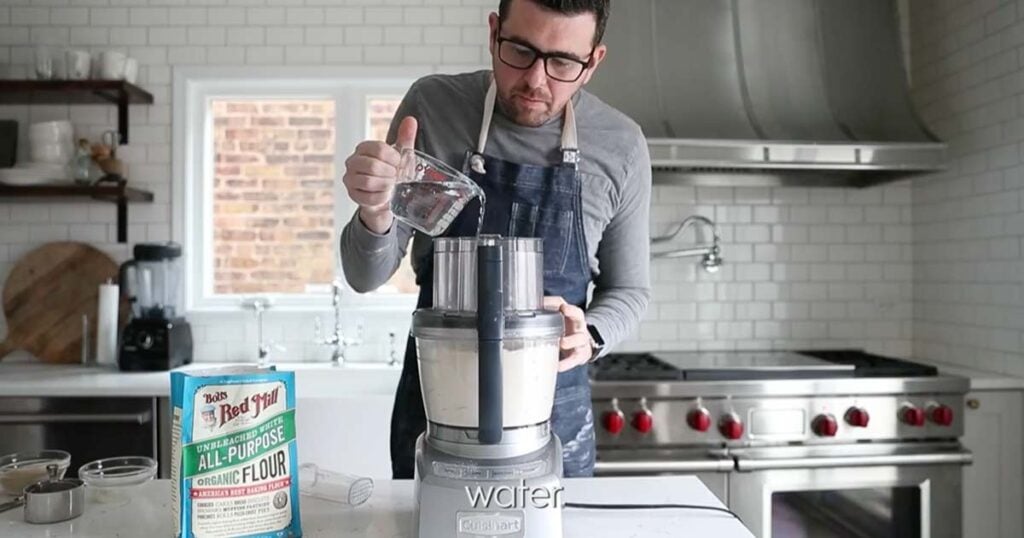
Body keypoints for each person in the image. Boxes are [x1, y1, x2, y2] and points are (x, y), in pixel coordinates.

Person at [339, 0, 650, 479]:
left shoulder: (621, 144)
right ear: (493, 33)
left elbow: (630, 292)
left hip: (553, 413)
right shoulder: (434, 108)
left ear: (593, 63)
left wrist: (588, 334)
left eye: (563, 62)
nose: (536, 81)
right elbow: (364, 276)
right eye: (520, 51)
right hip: (438, 408)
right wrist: (376, 210)